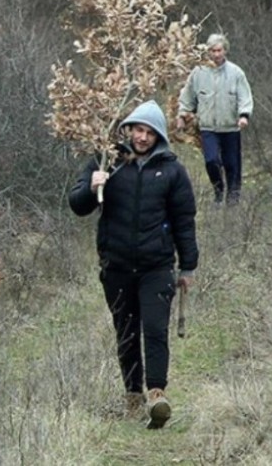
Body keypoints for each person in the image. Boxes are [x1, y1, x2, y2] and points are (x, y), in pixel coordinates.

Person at [69, 100, 198, 429]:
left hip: (157, 266)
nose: (142, 137)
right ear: (128, 130)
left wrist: (188, 267)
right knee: (126, 333)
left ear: (159, 136)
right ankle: (132, 397)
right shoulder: (107, 161)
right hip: (116, 266)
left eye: (150, 133)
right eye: (138, 130)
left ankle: (156, 395)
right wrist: (92, 186)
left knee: (155, 329)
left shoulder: (172, 171)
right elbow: (77, 205)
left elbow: (184, 221)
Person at [176, 33, 253, 205]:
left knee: (232, 164)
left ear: (225, 51)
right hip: (208, 127)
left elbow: (245, 97)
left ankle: (233, 198)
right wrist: (182, 115)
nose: (216, 54)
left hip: (230, 127)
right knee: (211, 161)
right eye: (213, 51)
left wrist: (244, 115)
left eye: (219, 50)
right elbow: (187, 96)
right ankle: (218, 191)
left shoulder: (236, 73)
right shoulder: (198, 72)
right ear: (208, 52)